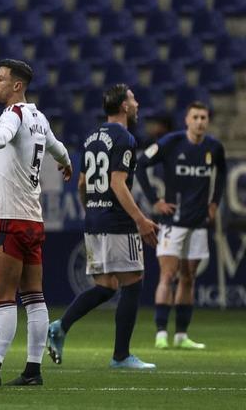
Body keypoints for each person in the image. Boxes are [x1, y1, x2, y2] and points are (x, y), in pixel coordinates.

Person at [0, 59, 73, 386]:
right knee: (35, 296)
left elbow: (2, 137)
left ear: (17, 85)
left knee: (3, 297)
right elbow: (58, 148)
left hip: (9, 220)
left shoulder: (14, 114)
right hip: (33, 221)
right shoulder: (39, 117)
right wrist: (67, 163)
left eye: (0, 78)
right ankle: (33, 371)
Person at [47, 83, 159, 370]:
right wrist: (140, 219)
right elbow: (117, 183)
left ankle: (60, 326)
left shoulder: (91, 136)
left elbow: (82, 183)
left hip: (95, 220)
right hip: (118, 221)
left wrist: (91, 212)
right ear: (123, 106)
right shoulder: (125, 137)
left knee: (106, 286)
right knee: (133, 282)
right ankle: (121, 356)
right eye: (133, 99)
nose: (137, 104)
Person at [135, 101, 226, 350]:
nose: (199, 122)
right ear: (187, 120)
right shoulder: (171, 143)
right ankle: (161, 333)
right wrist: (155, 200)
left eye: (203, 118)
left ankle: (181, 335)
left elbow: (222, 175)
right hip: (172, 222)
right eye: (195, 117)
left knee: (188, 278)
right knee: (168, 275)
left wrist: (214, 203)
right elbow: (141, 165)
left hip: (198, 224)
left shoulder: (214, 148)